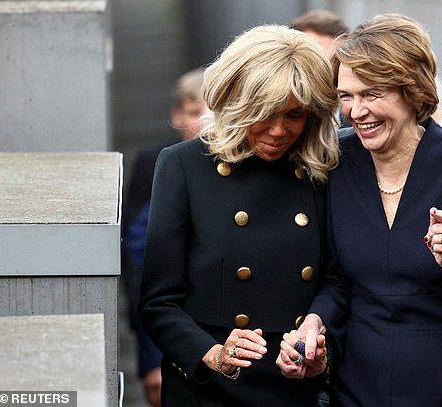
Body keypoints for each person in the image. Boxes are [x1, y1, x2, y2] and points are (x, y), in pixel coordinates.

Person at [278, 14, 442, 406]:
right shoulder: (334, 162)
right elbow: (338, 279)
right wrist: (313, 323)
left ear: (411, 89)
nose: (356, 112)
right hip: (359, 387)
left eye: (372, 94)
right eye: (346, 96)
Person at [138, 24, 340, 406]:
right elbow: (158, 302)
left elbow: (337, 279)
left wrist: (316, 343)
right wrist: (213, 354)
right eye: (264, 113)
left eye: (294, 116)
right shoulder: (183, 165)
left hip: (295, 385)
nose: (279, 131)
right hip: (209, 389)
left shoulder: (320, 167)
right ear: (235, 102)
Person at [121, 68, 208, 407]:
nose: (203, 122)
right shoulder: (156, 162)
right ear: (176, 115)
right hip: (169, 329)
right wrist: (149, 358)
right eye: (193, 112)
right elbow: (140, 263)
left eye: (210, 110)